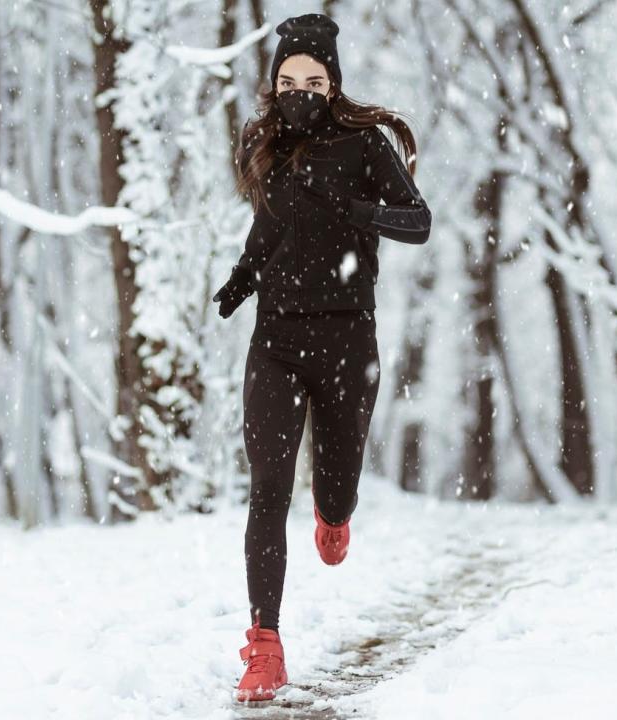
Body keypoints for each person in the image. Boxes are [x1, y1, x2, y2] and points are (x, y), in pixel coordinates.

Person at [211, 12, 433, 703]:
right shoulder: (267, 145)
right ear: (273, 87)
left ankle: (334, 514)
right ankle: (265, 647)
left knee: (332, 489)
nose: (299, 91)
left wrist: (359, 211)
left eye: (312, 80)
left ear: (333, 84)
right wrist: (244, 277)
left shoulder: (364, 146)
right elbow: (270, 225)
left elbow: (418, 222)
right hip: (276, 342)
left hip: (346, 340)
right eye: (287, 81)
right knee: (268, 483)